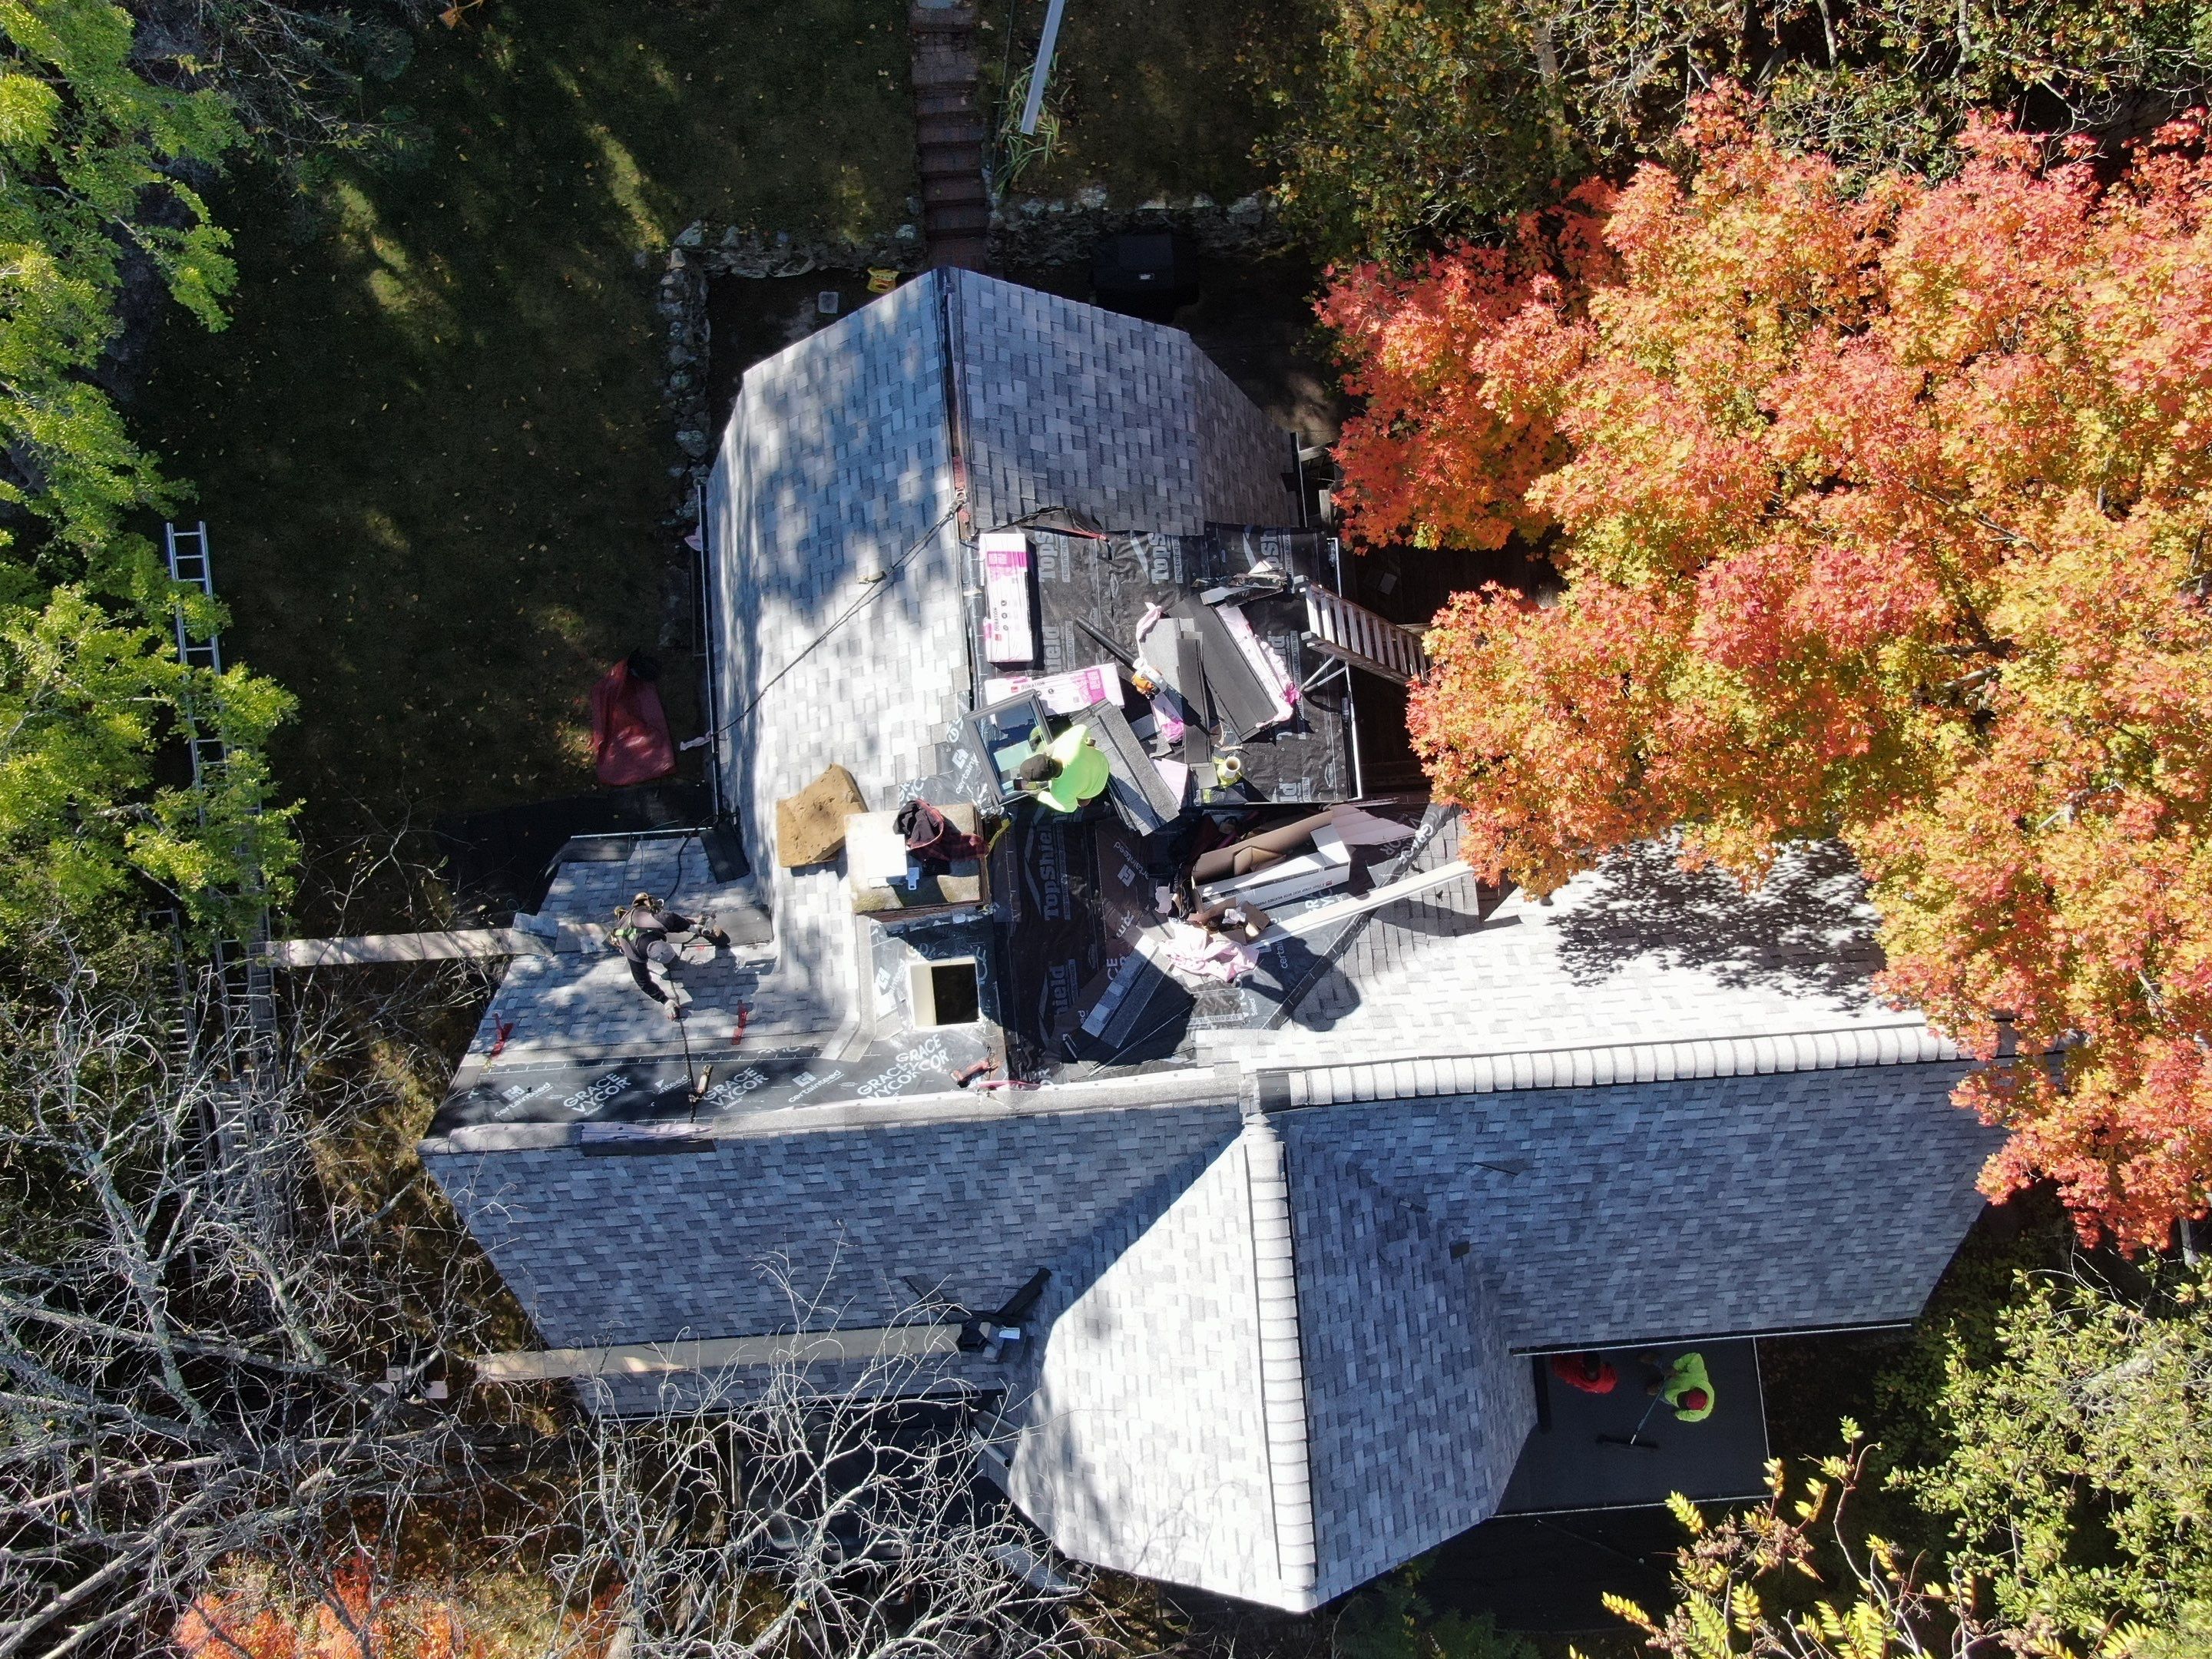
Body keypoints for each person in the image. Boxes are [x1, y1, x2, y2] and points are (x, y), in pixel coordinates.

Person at [610, 892, 716, 1021]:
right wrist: (665, 1001)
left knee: (669, 925)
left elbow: (674, 919)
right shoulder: (632, 952)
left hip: (639, 917)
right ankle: (622, 914)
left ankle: (638, 904)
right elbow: (643, 982)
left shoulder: (657, 920)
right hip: (624, 932)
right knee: (672, 956)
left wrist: (692, 927)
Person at [1639, 1351, 1714, 1421]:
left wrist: (1677, 1414)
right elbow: (1695, 1357)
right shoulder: (1698, 1375)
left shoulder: (1698, 1415)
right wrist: (1675, 1367)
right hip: (1675, 1375)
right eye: (1684, 1395)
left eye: (1683, 1401)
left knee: (1660, 1394)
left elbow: (1684, 1415)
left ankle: (1659, 1387)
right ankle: (1654, 1359)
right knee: (1665, 1364)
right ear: (1693, 1389)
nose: (1682, 1396)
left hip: (1668, 1396)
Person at [1549, 1351, 1618, 1395]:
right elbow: (1609, 1365)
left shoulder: (1568, 1372)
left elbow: (1555, 1352)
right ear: (1600, 1364)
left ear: (1582, 1364)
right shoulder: (1609, 1381)